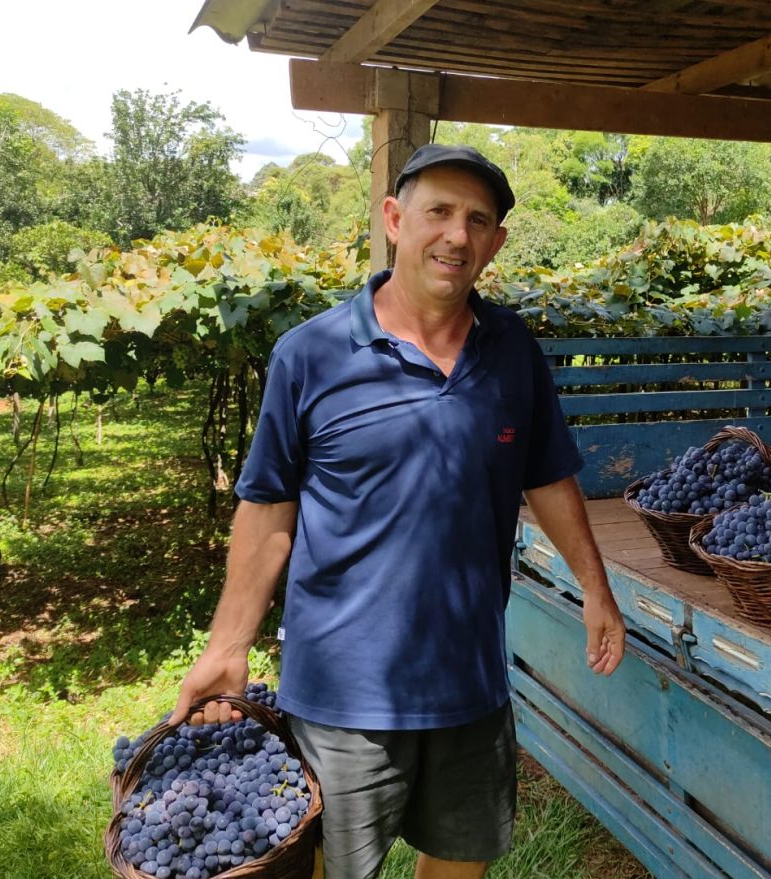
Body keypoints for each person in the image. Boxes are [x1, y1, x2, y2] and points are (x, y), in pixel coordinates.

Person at [172, 143, 626, 879]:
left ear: (496, 242)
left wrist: (597, 590)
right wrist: (228, 644)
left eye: (478, 220)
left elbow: (546, 475)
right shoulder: (311, 354)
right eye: (438, 211)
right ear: (393, 219)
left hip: (471, 679)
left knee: (460, 859)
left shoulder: (513, 350)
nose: (456, 234)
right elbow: (267, 509)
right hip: (343, 692)